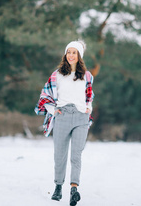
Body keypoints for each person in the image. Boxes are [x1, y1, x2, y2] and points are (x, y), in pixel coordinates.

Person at [35, 40, 94, 206]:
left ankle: (74, 189)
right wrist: (53, 111)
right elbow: (45, 95)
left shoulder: (87, 76)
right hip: (62, 116)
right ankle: (58, 187)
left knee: (76, 155)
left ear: (79, 56)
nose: (71, 55)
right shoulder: (57, 75)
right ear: (65, 54)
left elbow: (89, 96)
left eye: (74, 52)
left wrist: (88, 107)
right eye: (69, 52)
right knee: (59, 155)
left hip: (81, 118)